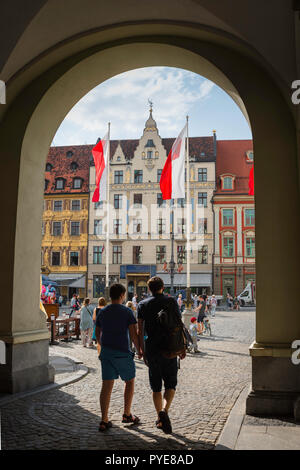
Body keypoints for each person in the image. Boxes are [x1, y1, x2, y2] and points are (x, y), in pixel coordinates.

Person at [137, 276, 186, 435]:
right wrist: (183, 347)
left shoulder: (142, 304)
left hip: (152, 349)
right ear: (163, 287)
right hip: (171, 348)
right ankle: (164, 411)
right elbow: (179, 323)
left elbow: (139, 330)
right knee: (171, 385)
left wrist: (140, 349)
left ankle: (160, 417)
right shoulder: (171, 301)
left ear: (149, 289)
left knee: (156, 386)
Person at [95, 284, 142, 432]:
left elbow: (97, 334)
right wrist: (140, 350)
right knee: (129, 382)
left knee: (106, 386)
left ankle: (104, 419)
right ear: (122, 295)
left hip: (106, 352)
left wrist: (103, 346)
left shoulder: (102, 312)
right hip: (122, 352)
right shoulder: (127, 312)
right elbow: (134, 335)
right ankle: (127, 414)